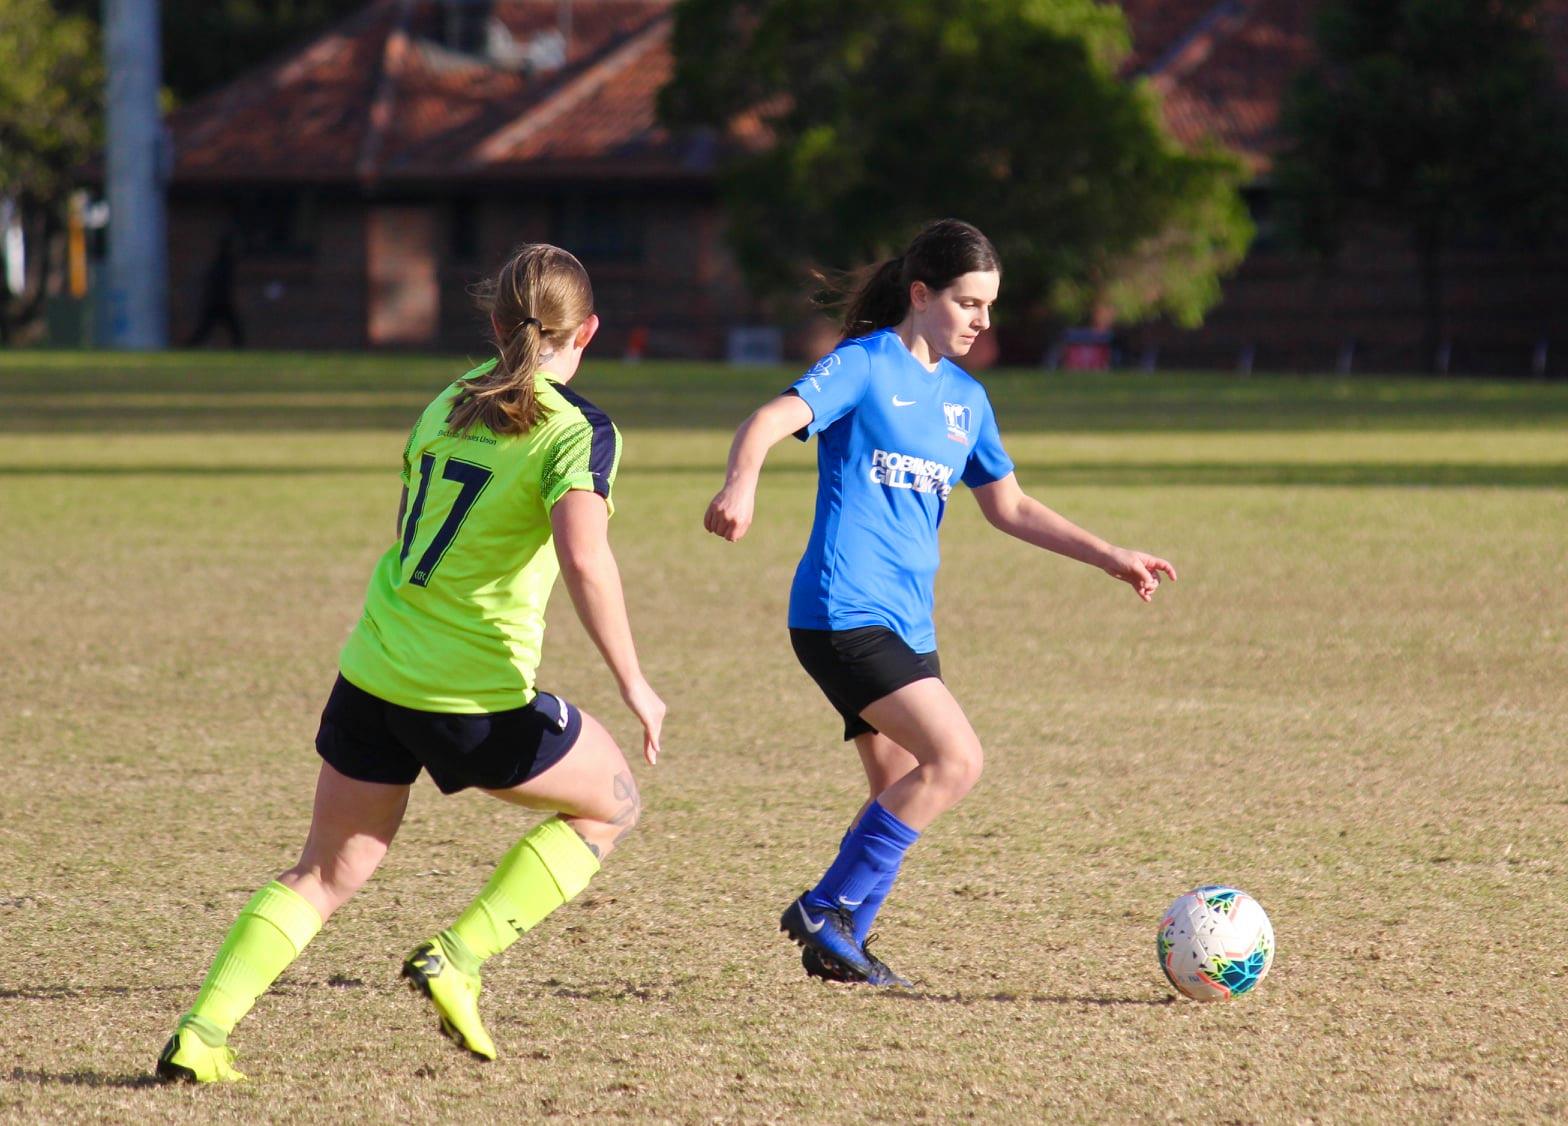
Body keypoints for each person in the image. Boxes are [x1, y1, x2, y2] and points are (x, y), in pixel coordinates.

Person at [156, 243, 665, 1082]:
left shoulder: (449, 400)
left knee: (326, 869)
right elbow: (585, 559)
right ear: (590, 331)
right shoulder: (578, 430)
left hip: (373, 672)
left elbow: (409, 526)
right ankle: (457, 957)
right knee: (611, 804)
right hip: (469, 692)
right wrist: (636, 685)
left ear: (496, 323)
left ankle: (202, 1033)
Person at [703, 219, 1176, 987]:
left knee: (895, 792)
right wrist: (740, 483)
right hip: (841, 609)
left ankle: (843, 941)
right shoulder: (863, 365)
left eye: (989, 305)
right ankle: (827, 910)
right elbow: (768, 420)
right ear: (920, 295)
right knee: (956, 761)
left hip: (906, 622)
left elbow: (1011, 508)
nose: (982, 320)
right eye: (967, 303)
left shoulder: (967, 400)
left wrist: (1111, 556)